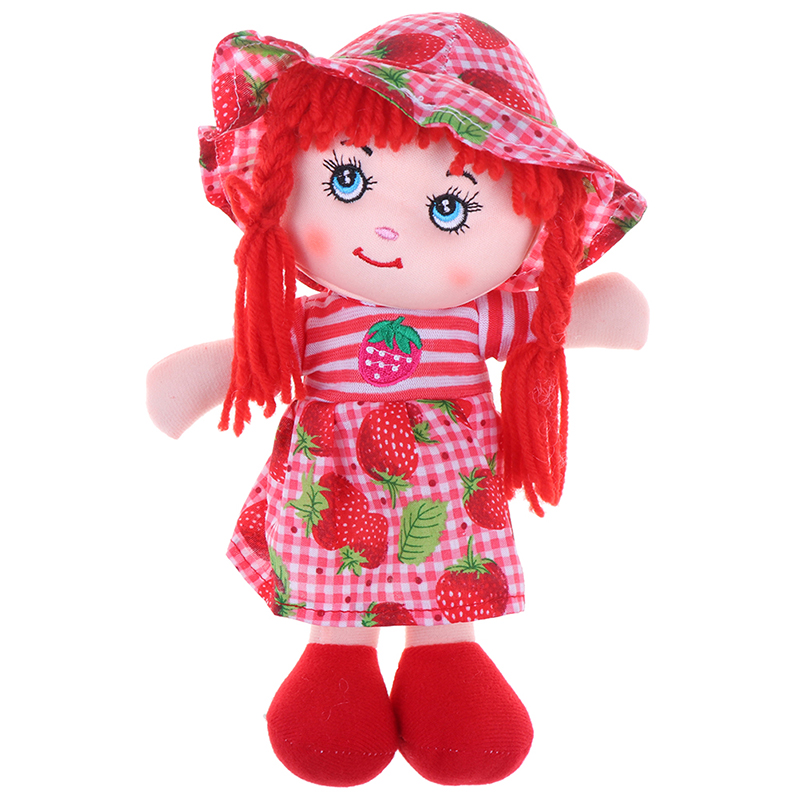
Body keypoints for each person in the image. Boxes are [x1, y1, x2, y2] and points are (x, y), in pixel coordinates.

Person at [147, 12, 648, 787]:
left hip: (447, 487)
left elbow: (554, 321)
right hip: (335, 478)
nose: (385, 230)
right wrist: (193, 384)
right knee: (334, 570)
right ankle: (335, 659)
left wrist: (608, 313)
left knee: (447, 561)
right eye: (346, 181)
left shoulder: (472, 318)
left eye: (450, 209)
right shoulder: (317, 322)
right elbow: (257, 353)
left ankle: (446, 658)